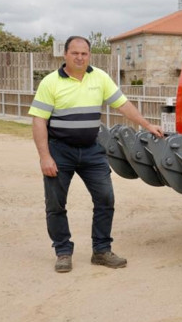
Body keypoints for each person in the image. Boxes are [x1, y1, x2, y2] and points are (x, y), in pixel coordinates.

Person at [29, 36, 163, 273]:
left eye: (84, 53)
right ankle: (63, 251)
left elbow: (122, 104)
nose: (80, 57)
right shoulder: (50, 82)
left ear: (89, 55)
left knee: (105, 199)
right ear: (65, 55)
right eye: (75, 53)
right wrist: (45, 157)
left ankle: (101, 250)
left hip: (92, 150)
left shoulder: (99, 77)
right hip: (60, 151)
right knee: (56, 204)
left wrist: (147, 125)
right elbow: (39, 120)